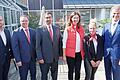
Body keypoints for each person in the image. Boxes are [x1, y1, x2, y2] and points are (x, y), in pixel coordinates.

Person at [36, 12, 63, 80]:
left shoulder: (57, 28)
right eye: (46, 17)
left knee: (55, 75)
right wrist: (40, 58)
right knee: (44, 76)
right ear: (44, 19)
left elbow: (59, 42)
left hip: (55, 58)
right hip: (44, 59)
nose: (48, 19)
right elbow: (37, 46)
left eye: (49, 17)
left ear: (52, 18)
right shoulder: (39, 30)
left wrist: (60, 54)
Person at [11, 15, 36, 80]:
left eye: (26, 21)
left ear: (28, 21)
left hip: (32, 59)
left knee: (33, 76)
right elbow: (15, 48)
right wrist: (18, 60)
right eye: (22, 21)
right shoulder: (15, 33)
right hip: (22, 61)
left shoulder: (33, 31)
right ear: (20, 22)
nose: (24, 22)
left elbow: (35, 45)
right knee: (23, 77)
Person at [62, 11, 85, 80]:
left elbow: (83, 41)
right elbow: (64, 43)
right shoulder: (67, 29)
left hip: (79, 54)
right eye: (74, 18)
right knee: (71, 71)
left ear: (79, 19)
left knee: (78, 71)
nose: (76, 19)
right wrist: (64, 55)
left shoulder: (81, 29)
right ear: (71, 18)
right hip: (70, 54)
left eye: (77, 18)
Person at [102, 5, 120, 80]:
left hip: (117, 56)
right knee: (107, 75)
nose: (116, 15)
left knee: (117, 76)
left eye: (118, 13)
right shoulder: (106, 26)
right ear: (111, 13)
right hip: (106, 55)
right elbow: (102, 40)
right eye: (114, 13)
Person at [0, 16, 13, 80]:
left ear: (3, 21)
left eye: (0, 20)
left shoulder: (7, 31)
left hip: (7, 60)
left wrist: (12, 57)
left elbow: (10, 45)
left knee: (5, 76)